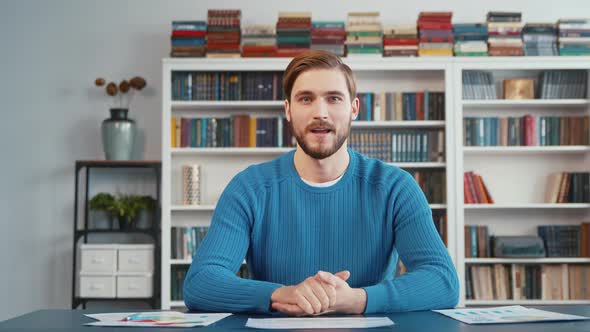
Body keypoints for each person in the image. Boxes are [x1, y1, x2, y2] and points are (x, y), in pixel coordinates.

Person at [183, 50, 459, 316]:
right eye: (306, 99)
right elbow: (201, 283)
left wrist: (357, 300)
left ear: (354, 109)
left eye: (334, 98)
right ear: (288, 110)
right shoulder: (249, 188)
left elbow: (442, 281)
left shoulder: (396, 187)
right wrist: (283, 294)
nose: (320, 113)